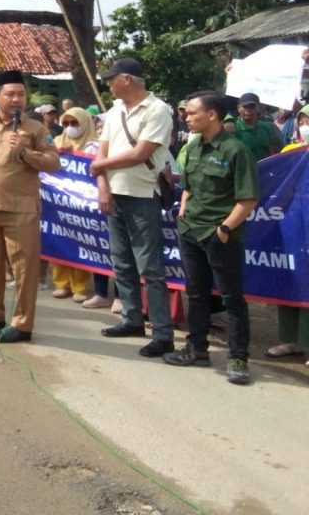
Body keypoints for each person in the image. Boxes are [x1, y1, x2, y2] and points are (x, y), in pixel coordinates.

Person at [161, 91, 259, 385]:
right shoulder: (192, 148)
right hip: (191, 232)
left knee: (232, 299)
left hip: (221, 235)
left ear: (212, 114)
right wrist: (184, 212)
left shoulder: (235, 150)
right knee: (196, 293)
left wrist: (225, 229)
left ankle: (238, 358)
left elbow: (248, 199)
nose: (186, 117)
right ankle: (197, 348)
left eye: (192, 113)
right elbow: (188, 186)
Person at [0, 71, 61, 341]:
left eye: (21, 94)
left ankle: (22, 325)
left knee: (24, 271)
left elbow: (54, 163)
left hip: (21, 211)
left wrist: (25, 153)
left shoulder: (36, 129)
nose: (17, 99)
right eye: (11, 94)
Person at [89, 57, 175, 358]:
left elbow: (141, 153)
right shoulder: (114, 111)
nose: (109, 84)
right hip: (114, 193)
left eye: (112, 79)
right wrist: (103, 186)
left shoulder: (158, 110)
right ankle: (132, 319)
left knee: (150, 267)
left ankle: (163, 333)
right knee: (121, 262)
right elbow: (103, 149)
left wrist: (100, 166)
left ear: (127, 79)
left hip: (142, 194)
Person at [267, 104, 309, 365]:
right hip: (292, 225)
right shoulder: (289, 152)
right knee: (290, 278)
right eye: (302, 120)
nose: (305, 125)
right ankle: (290, 339)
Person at [50, 107, 97, 303]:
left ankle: (80, 286)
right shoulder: (57, 142)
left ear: (85, 123)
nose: (70, 128)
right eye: (66, 124)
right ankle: (61, 284)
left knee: (81, 242)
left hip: (82, 204)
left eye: (74, 123)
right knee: (59, 239)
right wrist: (58, 152)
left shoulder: (94, 146)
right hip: (59, 201)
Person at [234, 92, 282, 160]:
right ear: (239, 108)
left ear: (258, 108)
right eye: (245, 107)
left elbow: (273, 151)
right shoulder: (234, 128)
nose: (248, 110)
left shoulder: (267, 127)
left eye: (252, 107)